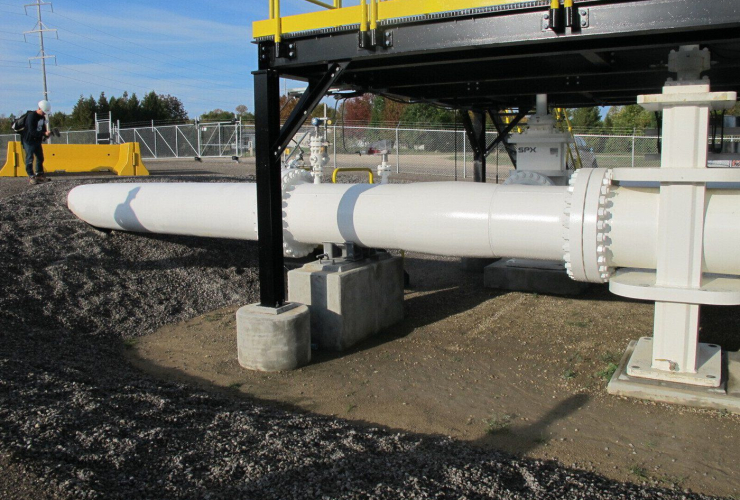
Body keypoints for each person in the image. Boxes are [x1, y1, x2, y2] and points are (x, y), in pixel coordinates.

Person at [21, 100, 52, 185]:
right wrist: (43, 133)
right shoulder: (31, 116)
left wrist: (46, 134)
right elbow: (32, 131)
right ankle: (31, 176)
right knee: (30, 158)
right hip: (29, 141)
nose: (44, 114)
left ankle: (39, 174)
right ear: (39, 108)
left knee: (40, 157)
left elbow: (43, 129)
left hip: (37, 141)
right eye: (43, 112)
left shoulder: (42, 117)